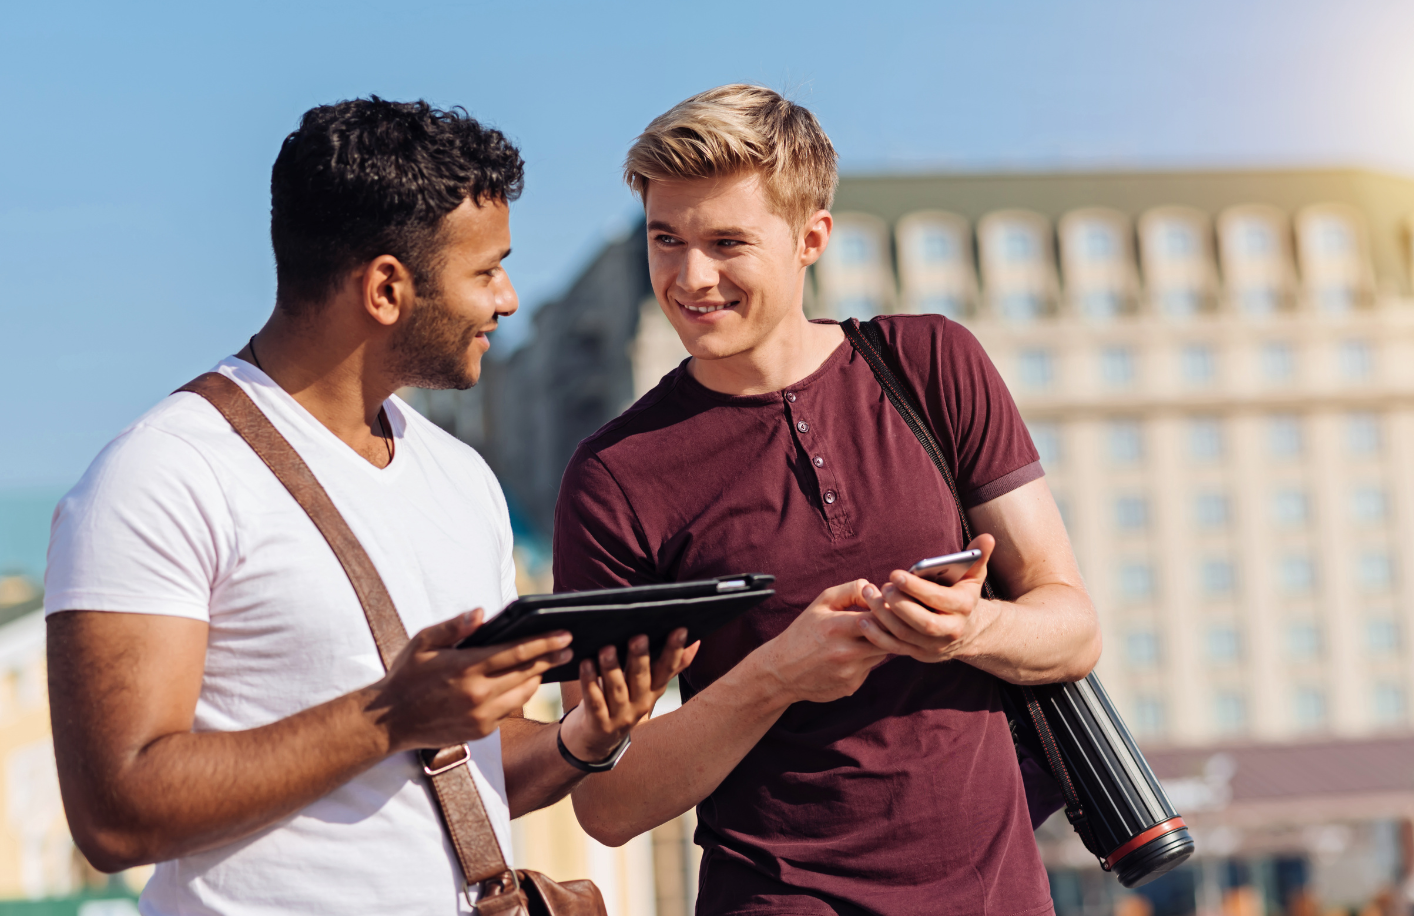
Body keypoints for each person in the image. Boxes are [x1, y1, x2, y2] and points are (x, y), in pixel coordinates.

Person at [45, 97, 691, 916]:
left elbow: (465, 766)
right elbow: (114, 811)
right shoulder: (159, 475)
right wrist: (389, 714)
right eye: (486, 269)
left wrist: (583, 738)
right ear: (387, 287)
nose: (509, 298)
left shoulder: (462, 478)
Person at [552, 85, 1103, 916]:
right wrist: (776, 676)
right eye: (666, 241)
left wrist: (970, 628)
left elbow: (1073, 628)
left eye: (726, 242)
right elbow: (607, 800)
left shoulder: (931, 365)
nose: (690, 278)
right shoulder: (616, 475)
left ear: (812, 238)